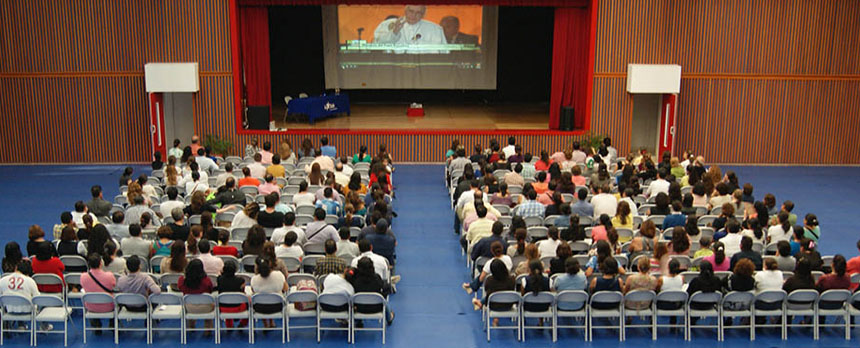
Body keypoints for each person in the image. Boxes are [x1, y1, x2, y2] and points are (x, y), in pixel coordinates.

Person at [81, 254, 116, 332]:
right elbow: (114, 286)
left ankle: (96, 326)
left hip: (91, 306)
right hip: (109, 306)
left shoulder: (83, 276)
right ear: (101, 263)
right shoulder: (109, 275)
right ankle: (113, 324)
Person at [251, 257, 288, 328]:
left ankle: (266, 324)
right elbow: (286, 289)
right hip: (277, 306)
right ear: (270, 265)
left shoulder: (254, 279)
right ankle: (271, 322)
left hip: (259, 308)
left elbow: (253, 291)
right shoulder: (279, 275)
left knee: (261, 298)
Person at [178, 259, 215, 330]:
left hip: (188, 308)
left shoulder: (182, 280)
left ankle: (191, 325)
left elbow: (180, 288)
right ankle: (208, 329)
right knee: (210, 302)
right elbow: (210, 290)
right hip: (206, 308)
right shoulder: (206, 280)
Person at [216, 262, 248, 328]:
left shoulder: (219, 280)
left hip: (223, 308)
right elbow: (242, 292)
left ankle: (229, 325)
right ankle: (243, 323)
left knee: (227, 299)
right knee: (248, 304)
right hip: (238, 308)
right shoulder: (240, 280)